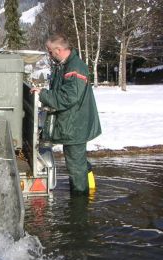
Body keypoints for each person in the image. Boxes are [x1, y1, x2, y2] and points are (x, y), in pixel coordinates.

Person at [31, 33, 101, 194]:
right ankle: (84, 193)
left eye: (50, 51)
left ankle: (80, 204)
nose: (49, 54)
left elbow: (67, 97)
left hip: (75, 126)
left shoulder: (74, 68)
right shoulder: (64, 65)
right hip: (70, 124)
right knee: (76, 163)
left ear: (59, 49)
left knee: (76, 167)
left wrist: (43, 94)